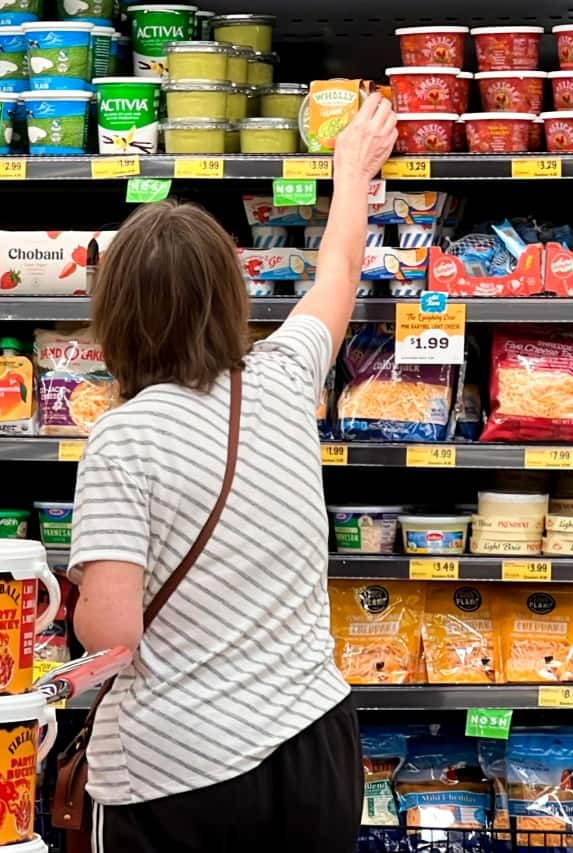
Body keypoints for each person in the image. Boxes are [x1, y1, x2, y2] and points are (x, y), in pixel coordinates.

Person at [66, 93, 398, 853]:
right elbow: (338, 271)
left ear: (113, 314)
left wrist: (64, 606)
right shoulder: (283, 377)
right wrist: (352, 171)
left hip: (185, 768)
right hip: (314, 744)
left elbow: (112, 628)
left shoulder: (124, 438)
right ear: (232, 296)